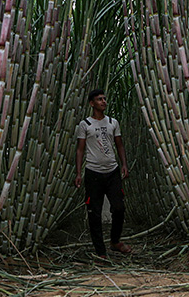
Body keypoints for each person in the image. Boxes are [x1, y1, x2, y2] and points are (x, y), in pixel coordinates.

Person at [74, 89, 132, 257]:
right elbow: (80, 150)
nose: (103, 101)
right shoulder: (85, 124)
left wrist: (124, 164)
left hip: (112, 171)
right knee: (94, 212)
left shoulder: (113, 122)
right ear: (92, 103)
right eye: (99, 99)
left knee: (119, 208)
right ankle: (100, 251)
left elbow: (119, 145)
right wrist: (78, 173)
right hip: (93, 173)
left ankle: (115, 241)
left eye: (104, 99)